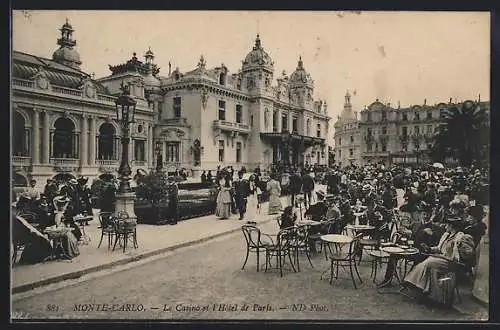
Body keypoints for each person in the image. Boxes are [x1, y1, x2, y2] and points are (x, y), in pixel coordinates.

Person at [400, 217, 476, 298]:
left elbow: (468, 253)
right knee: (427, 260)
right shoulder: (446, 235)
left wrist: (459, 246)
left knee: (428, 263)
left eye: (447, 225)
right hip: (443, 259)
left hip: (451, 262)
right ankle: (420, 287)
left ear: (452, 226)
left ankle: (415, 285)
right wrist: (429, 248)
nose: (445, 226)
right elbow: (439, 249)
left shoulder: (460, 237)